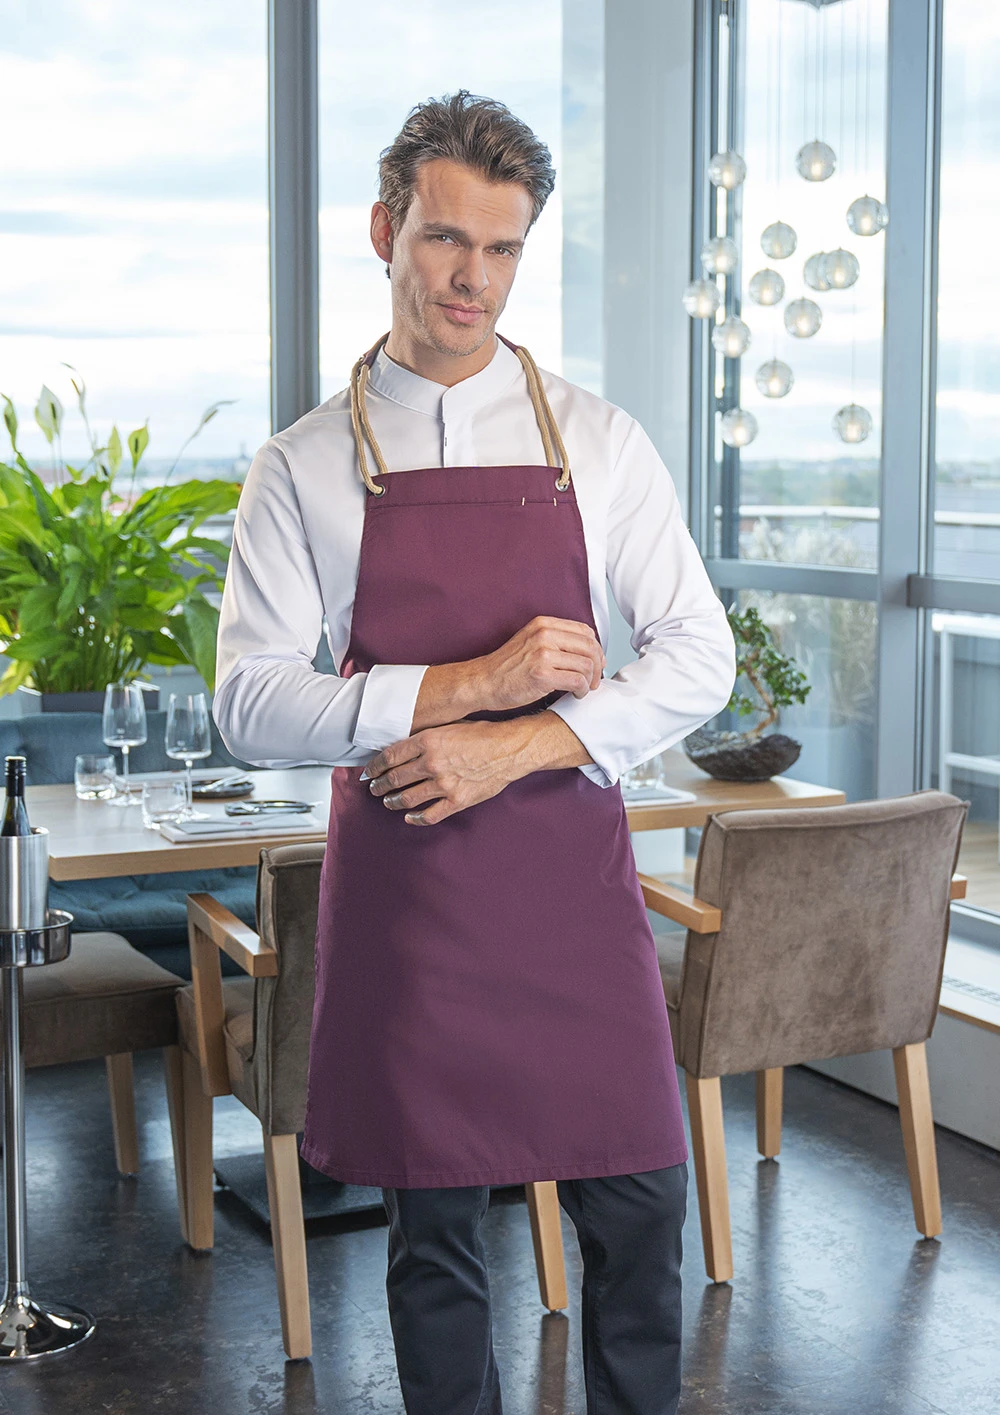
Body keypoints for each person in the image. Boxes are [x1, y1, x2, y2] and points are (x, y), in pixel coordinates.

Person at [214, 89, 736, 1415]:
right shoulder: (303, 465)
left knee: (641, 1203)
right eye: (447, 239)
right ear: (384, 230)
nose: (475, 278)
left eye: (503, 249)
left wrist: (519, 745)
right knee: (435, 1234)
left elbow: (698, 654)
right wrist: (471, 686)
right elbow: (248, 703)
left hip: (572, 887)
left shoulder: (598, 441)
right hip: (412, 895)